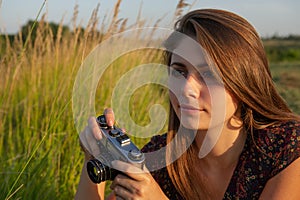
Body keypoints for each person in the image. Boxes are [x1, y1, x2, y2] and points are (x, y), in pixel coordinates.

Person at [75, 9, 300, 200]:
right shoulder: (160, 158)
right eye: (179, 71)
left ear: (244, 81)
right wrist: (94, 158)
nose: (186, 89)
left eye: (209, 74)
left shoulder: (286, 147)